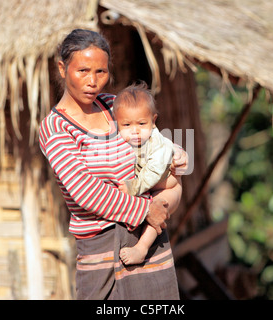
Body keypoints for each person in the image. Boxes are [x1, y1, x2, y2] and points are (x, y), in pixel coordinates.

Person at [39, 29, 187, 300]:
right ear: (62, 68)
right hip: (102, 251)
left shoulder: (114, 107)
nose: (93, 81)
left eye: (101, 72)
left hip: (148, 241)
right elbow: (85, 191)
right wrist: (146, 209)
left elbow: (156, 149)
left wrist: (176, 156)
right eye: (83, 70)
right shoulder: (56, 127)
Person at [113, 82, 180, 265]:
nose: (134, 131)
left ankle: (141, 248)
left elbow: (153, 171)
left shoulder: (158, 144)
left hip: (165, 184)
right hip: (150, 185)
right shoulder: (121, 140)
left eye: (142, 124)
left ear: (153, 121)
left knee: (158, 209)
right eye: (126, 124)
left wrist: (132, 187)